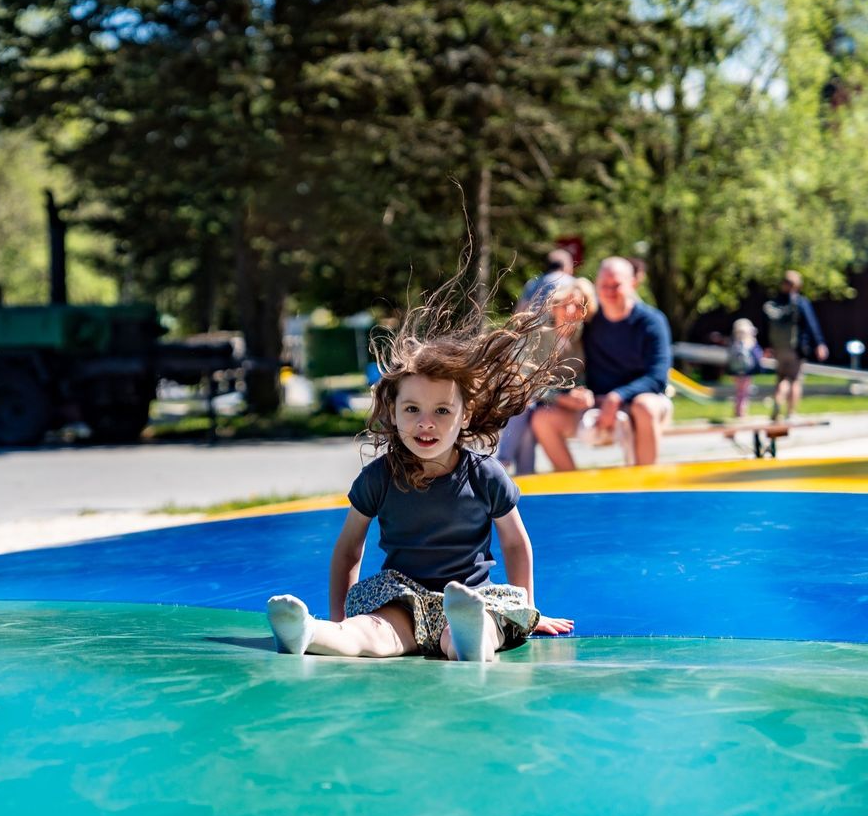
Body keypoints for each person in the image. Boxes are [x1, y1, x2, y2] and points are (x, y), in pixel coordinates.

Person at [266, 289, 575, 662]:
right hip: (402, 600)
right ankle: (315, 633)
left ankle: (468, 638)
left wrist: (527, 611)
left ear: (465, 415)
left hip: (472, 595)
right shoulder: (378, 479)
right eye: (412, 409)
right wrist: (341, 619)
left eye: (442, 411)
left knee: (487, 620)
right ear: (392, 412)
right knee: (373, 635)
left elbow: (514, 542)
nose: (426, 423)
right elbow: (349, 547)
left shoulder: (485, 475)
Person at [531, 257, 672, 469]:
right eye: (604, 285)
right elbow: (566, 356)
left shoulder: (651, 321)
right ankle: (573, 488)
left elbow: (657, 377)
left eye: (616, 285)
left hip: (639, 401)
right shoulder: (589, 321)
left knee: (646, 407)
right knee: (542, 419)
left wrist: (617, 397)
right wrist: (573, 394)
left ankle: (646, 486)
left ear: (633, 283)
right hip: (595, 403)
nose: (609, 291)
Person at [497, 277, 596, 474]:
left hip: (551, 403)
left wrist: (580, 393)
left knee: (532, 415)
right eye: (565, 305)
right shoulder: (537, 332)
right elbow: (522, 379)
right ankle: (503, 464)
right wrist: (561, 397)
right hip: (524, 395)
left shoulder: (581, 340)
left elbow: (578, 377)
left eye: (577, 306)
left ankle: (522, 474)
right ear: (555, 307)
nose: (570, 311)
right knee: (524, 406)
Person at [762, 271, 828, 420]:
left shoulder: (775, 304)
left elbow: (766, 326)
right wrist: (820, 343)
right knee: (795, 379)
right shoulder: (800, 302)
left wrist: (767, 346)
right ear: (797, 285)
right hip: (795, 348)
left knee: (781, 378)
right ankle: (791, 412)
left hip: (779, 348)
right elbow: (812, 324)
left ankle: (778, 402)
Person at [515, 247, 575, 313]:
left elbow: (520, 311)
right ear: (566, 266)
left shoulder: (533, 283)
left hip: (535, 322)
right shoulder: (574, 283)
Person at [726, 318, 764, 418]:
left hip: (736, 372)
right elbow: (758, 356)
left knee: (738, 391)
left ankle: (737, 410)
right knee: (744, 392)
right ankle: (742, 412)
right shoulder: (750, 343)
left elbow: (729, 358)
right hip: (747, 372)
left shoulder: (735, 343)